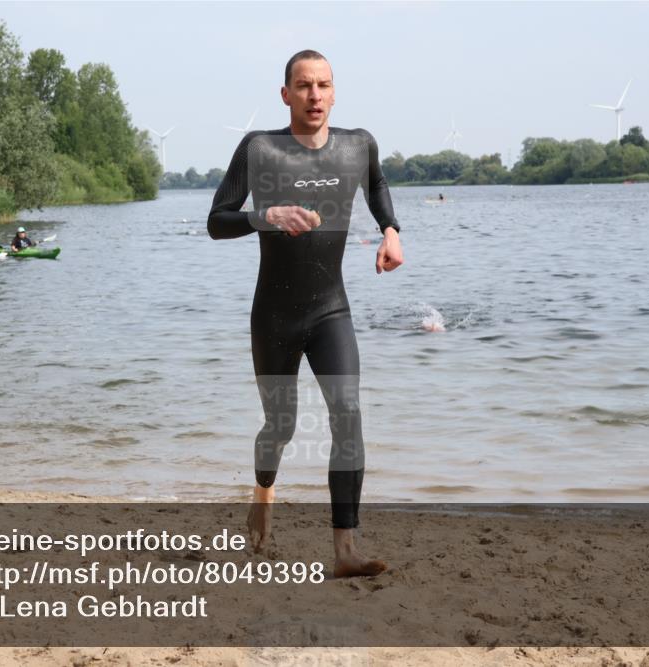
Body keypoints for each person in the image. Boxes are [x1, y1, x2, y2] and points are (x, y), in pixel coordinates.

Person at [207, 49, 404, 577]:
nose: (314, 95)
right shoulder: (260, 149)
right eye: (303, 85)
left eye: (323, 85)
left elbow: (378, 186)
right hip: (273, 314)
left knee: (348, 414)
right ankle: (264, 491)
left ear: (334, 92)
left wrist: (391, 231)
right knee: (281, 425)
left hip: (329, 309)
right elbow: (216, 221)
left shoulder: (356, 145)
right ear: (286, 94)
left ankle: (345, 550)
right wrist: (263, 216)